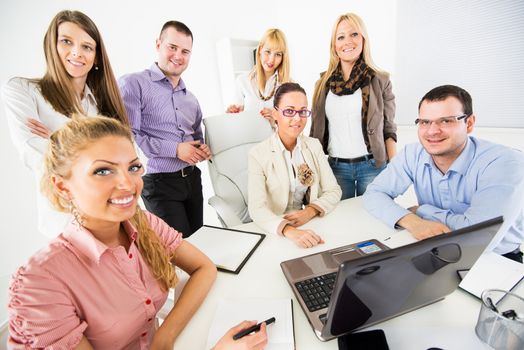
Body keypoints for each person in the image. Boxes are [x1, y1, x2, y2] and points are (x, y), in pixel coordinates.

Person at [7, 115, 268, 349]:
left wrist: (164, 338)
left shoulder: (144, 223)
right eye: (102, 171)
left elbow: (204, 268)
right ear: (63, 187)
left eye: (133, 167)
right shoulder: (38, 284)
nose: (128, 183)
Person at [2, 10, 128, 238]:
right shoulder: (23, 91)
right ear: (52, 45)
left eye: (87, 47)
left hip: (115, 218)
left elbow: (128, 159)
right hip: (66, 223)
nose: (77, 53)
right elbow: (33, 152)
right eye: (66, 42)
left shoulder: (104, 105)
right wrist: (99, 155)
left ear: (97, 57)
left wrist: (58, 140)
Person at [363, 85, 524, 263]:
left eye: (446, 121)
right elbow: (374, 194)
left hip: (495, 260)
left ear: (469, 123)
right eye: (425, 122)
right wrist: (413, 221)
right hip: (434, 248)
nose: (432, 131)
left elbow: (480, 237)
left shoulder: (504, 162)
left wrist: (422, 211)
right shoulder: (412, 154)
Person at [119, 20, 211, 238]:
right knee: (179, 251)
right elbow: (128, 137)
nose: (178, 56)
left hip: (192, 180)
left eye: (185, 51)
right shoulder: (133, 84)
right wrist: (176, 149)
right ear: (158, 44)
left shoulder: (191, 99)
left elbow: (196, 137)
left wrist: (202, 149)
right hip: (159, 182)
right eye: (172, 47)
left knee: (201, 243)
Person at [310, 13, 397, 199]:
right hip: (335, 168)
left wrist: (395, 168)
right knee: (340, 222)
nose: (347, 41)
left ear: (364, 39)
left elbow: (389, 128)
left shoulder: (380, 80)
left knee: (374, 220)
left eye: (354, 34)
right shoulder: (322, 83)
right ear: (334, 45)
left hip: (373, 166)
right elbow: (314, 129)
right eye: (340, 37)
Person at [248, 83, 342, 248]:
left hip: (309, 223)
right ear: (275, 114)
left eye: (303, 111)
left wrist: (310, 211)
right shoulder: (258, 154)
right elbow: (256, 208)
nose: (297, 118)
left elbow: (333, 190)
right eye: (289, 111)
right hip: (275, 229)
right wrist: (289, 231)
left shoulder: (313, 146)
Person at [226, 28, 291, 127]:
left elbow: (292, 125)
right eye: (268, 52)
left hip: (275, 141)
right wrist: (232, 114)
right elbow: (236, 122)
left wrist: (276, 121)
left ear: (283, 57)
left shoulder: (288, 85)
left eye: (278, 54)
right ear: (260, 50)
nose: (271, 60)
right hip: (249, 140)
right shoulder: (242, 81)